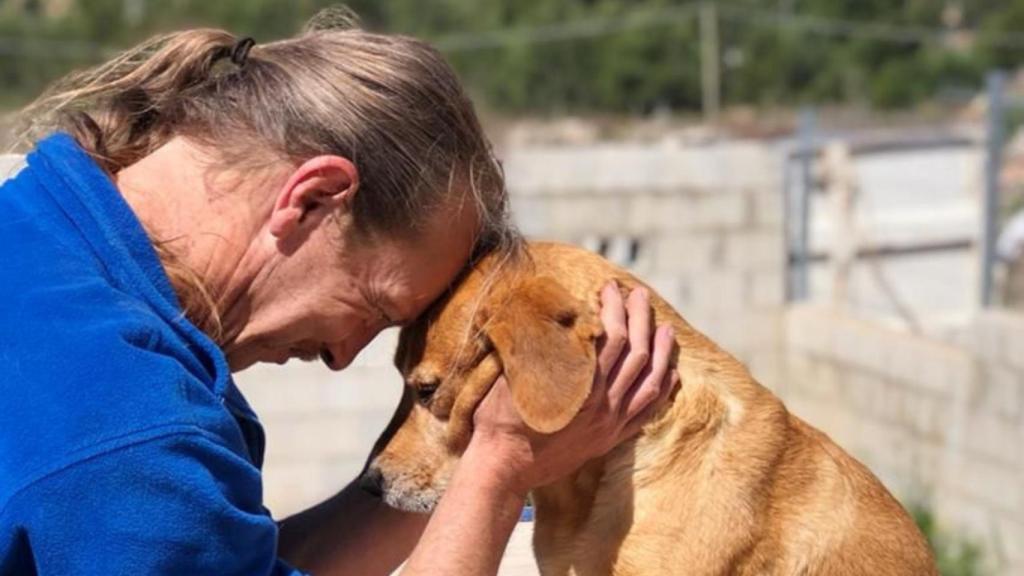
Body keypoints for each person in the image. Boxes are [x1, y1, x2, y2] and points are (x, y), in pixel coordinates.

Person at [0, 8, 676, 576]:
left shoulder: (33, 235)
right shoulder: (130, 432)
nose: (344, 356)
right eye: (377, 308)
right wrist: (501, 471)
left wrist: (445, 471)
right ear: (314, 199)